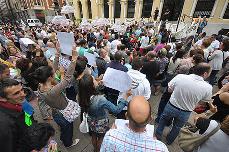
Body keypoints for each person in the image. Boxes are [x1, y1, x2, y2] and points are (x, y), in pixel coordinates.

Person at [33, 45, 80, 148]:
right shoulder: (52, 91)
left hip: (55, 112)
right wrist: (74, 59)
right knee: (68, 128)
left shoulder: (41, 85)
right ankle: (68, 143)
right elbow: (67, 78)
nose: (55, 72)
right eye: (52, 74)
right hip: (63, 114)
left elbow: (52, 70)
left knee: (64, 128)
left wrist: (57, 54)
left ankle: (64, 137)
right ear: (50, 77)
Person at [155, 63, 213, 145]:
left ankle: (157, 136)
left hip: (171, 106)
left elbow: (169, 90)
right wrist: (193, 104)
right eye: (210, 72)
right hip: (186, 112)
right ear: (205, 73)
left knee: (163, 120)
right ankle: (169, 141)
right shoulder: (208, 87)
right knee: (177, 127)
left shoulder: (180, 77)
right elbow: (203, 102)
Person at [78, 74, 131, 152]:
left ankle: (95, 149)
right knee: (101, 137)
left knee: (94, 135)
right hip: (101, 122)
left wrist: (99, 84)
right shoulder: (100, 100)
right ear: (92, 85)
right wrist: (125, 97)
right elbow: (116, 110)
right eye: (94, 80)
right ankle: (98, 149)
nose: (97, 80)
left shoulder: (81, 95)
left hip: (91, 120)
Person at [100, 96, 169, 152]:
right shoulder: (161, 148)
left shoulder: (110, 137)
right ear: (150, 119)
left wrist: (112, 132)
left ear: (126, 116)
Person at [0, 78, 36, 152]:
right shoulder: (5, 124)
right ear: (2, 99)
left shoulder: (17, 104)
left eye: (22, 89)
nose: (23, 94)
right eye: (16, 93)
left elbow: (27, 121)